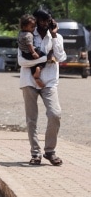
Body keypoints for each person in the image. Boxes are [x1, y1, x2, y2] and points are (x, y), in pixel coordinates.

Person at [19, 9, 66, 166]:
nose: (45, 24)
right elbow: (22, 62)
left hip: (50, 82)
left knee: (55, 114)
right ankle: (36, 153)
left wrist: (54, 36)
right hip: (29, 81)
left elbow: (61, 57)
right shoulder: (27, 36)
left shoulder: (56, 37)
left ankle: (50, 151)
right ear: (36, 21)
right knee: (32, 120)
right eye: (42, 21)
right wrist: (45, 58)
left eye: (48, 21)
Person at [18, 14, 51, 88]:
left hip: (24, 53)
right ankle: (39, 68)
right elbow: (29, 44)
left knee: (33, 64)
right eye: (32, 27)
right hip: (30, 52)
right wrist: (33, 52)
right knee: (44, 57)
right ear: (24, 27)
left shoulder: (20, 33)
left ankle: (36, 76)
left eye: (34, 26)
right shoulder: (29, 35)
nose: (34, 28)